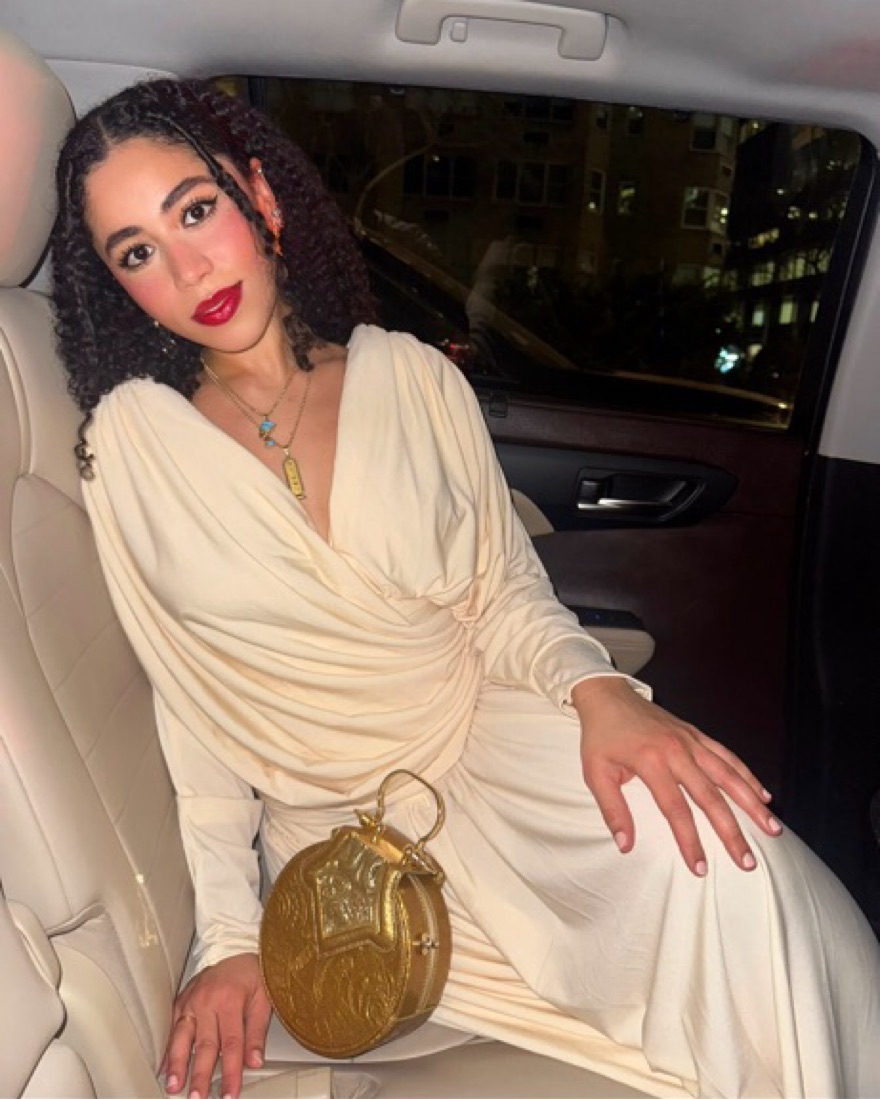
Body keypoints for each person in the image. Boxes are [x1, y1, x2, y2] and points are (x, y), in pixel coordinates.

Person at [50, 78, 880, 1099]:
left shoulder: (413, 377)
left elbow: (504, 593)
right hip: (339, 844)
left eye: (195, 210)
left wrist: (601, 693)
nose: (186, 269)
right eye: (135, 252)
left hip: (489, 741)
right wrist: (229, 933)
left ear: (259, 197)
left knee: (731, 865)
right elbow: (194, 709)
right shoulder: (131, 447)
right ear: (116, 286)